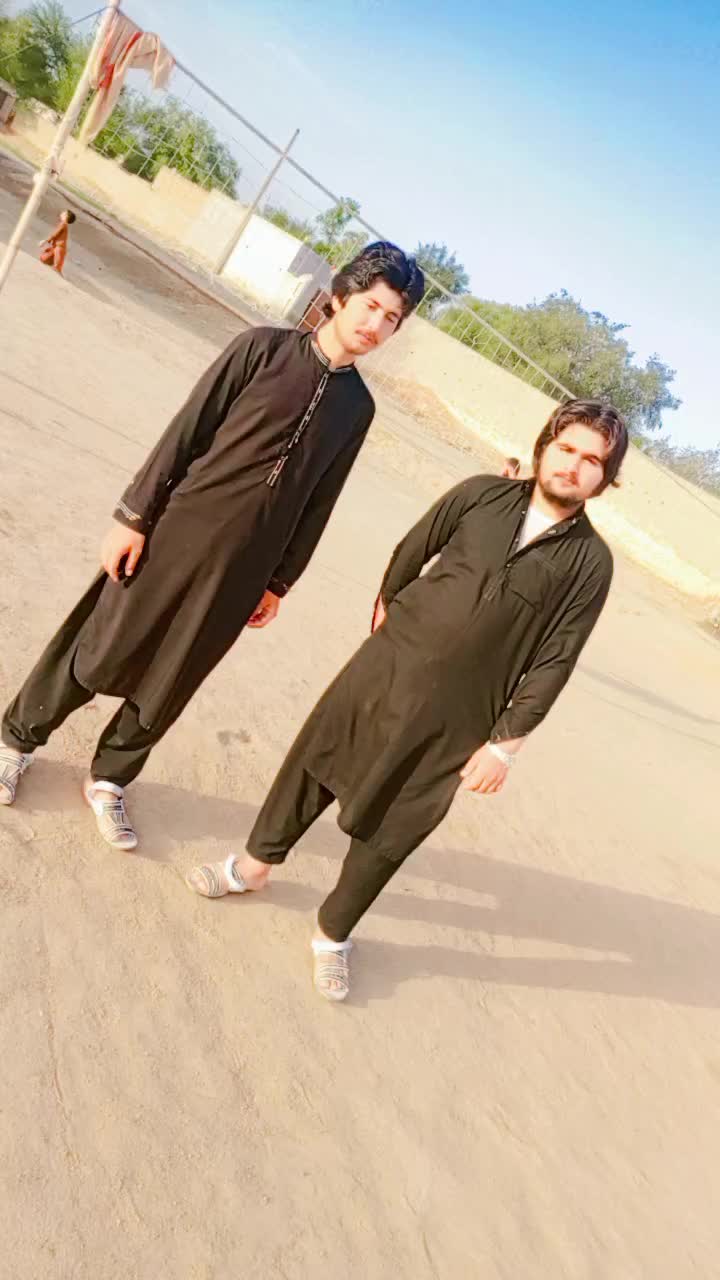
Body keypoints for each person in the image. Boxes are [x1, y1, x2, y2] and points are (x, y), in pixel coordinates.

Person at [187, 398, 628, 1001]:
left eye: (591, 460)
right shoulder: (480, 494)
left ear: (605, 478)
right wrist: (389, 609)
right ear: (544, 446)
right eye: (566, 448)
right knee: (315, 764)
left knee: (397, 823)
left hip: (463, 716)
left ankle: (332, 933)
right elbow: (415, 547)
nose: (573, 465)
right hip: (387, 667)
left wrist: (504, 745)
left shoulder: (591, 563)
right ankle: (254, 866)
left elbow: (557, 656)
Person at [0, 242, 425, 849]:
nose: (375, 325)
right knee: (101, 640)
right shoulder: (261, 349)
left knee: (175, 674)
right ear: (339, 297)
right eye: (371, 306)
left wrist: (279, 582)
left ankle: (110, 778)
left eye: (391, 319)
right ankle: (16, 740)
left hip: (244, 569)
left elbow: (319, 501)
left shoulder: (358, 408)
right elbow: (185, 431)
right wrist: (133, 516)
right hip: (176, 532)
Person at [39, 209, 76, 276]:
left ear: (66, 216)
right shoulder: (63, 224)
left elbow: (55, 234)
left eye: (63, 212)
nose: (61, 213)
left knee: (57, 269)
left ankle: (60, 279)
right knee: (43, 259)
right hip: (55, 247)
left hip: (59, 248)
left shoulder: (63, 224)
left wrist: (45, 241)